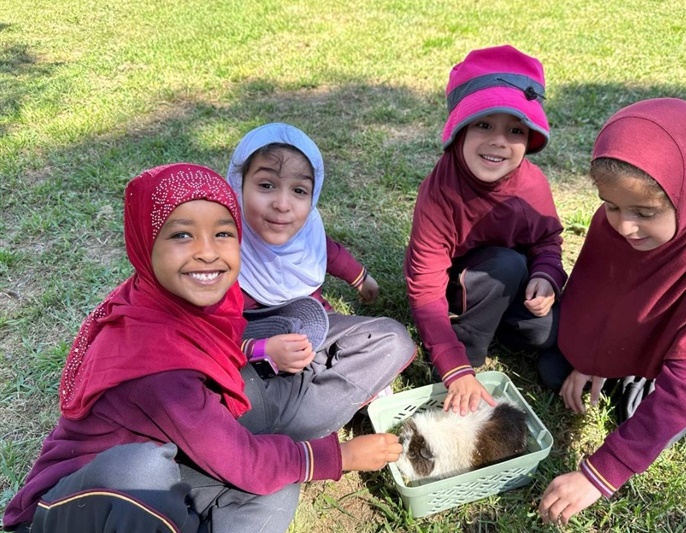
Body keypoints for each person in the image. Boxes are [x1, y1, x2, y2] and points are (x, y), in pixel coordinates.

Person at [2, 163, 402, 533]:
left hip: (172, 459)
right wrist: (340, 457)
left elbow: (243, 453)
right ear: (145, 243)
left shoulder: (193, 304)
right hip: (80, 508)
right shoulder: (153, 363)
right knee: (143, 472)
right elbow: (242, 459)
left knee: (275, 486)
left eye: (223, 232)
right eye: (181, 234)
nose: (207, 251)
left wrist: (261, 352)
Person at [536, 98, 686, 526]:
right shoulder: (619, 216)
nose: (623, 226)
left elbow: (682, 389)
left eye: (644, 213)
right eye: (610, 205)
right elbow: (599, 292)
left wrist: (599, 475)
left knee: (640, 415)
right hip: (646, 317)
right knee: (555, 372)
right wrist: (591, 357)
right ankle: (634, 367)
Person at [403, 44, 567, 415]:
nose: (498, 141)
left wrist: (545, 276)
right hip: (464, 285)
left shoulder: (533, 185)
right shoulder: (440, 192)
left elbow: (547, 240)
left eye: (515, 130)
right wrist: (454, 364)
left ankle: (495, 327)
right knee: (504, 265)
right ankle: (469, 346)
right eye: (483, 124)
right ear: (458, 129)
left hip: (515, 285)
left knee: (547, 332)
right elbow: (424, 286)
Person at [226, 123, 417, 440]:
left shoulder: (307, 233)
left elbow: (332, 254)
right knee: (231, 394)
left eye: (299, 191)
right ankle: (321, 405)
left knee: (392, 339)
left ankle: (311, 406)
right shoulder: (225, 249)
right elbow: (208, 338)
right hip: (252, 357)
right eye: (266, 185)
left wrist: (361, 279)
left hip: (316, 330)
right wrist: (262, 348)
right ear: (239, 185)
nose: (283, 204)